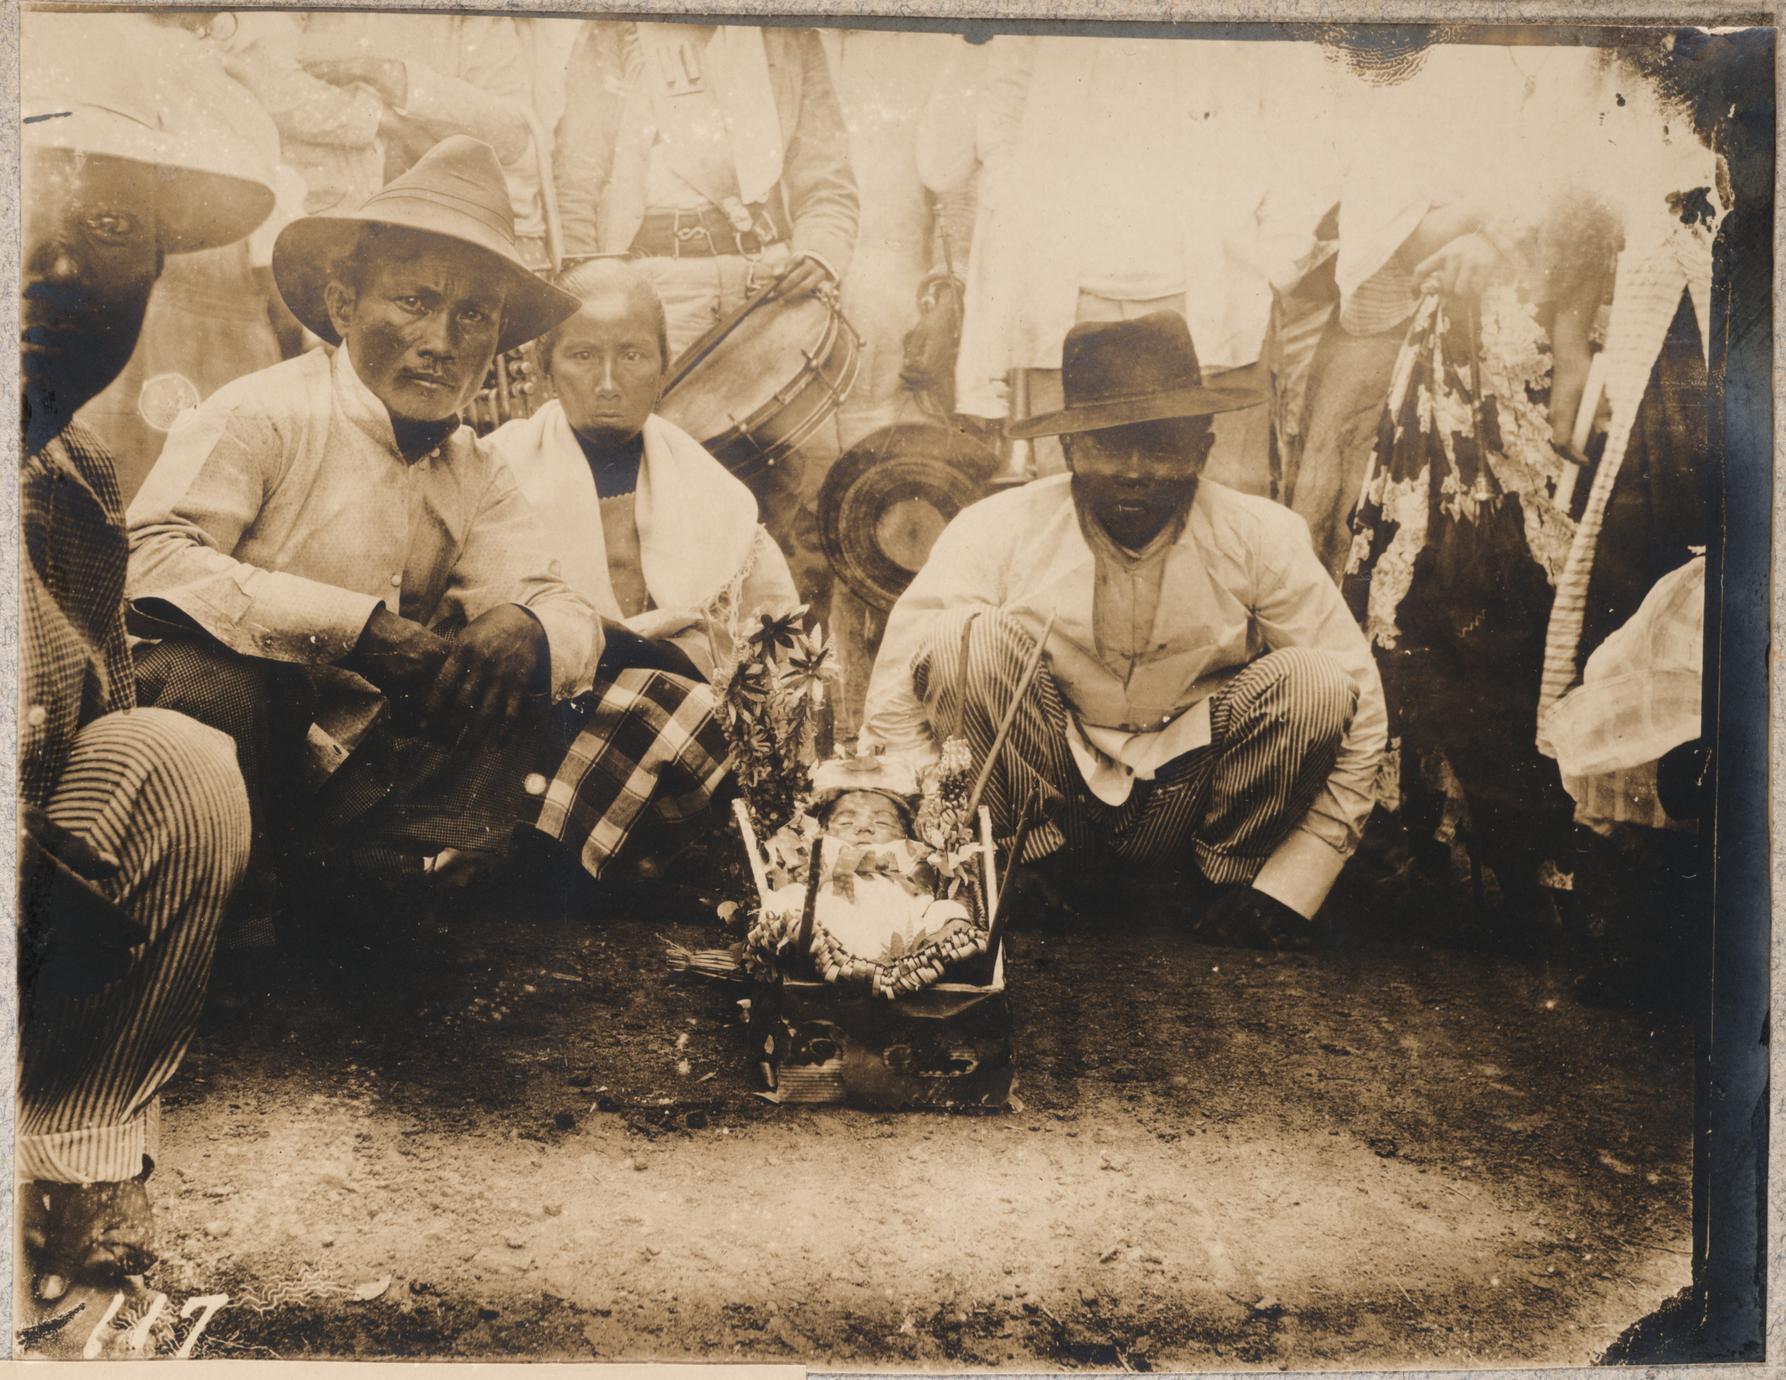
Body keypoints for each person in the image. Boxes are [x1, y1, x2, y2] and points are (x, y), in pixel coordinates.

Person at [124, 137, 591, 913]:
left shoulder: (477, 468)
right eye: (414, 302)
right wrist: (357, 630)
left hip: (359, 765)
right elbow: (149, 556)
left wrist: (527, 625)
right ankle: (252, 886)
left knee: (515, 679)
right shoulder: (263, 412)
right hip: (230, 746)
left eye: (473, 315)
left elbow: (565, 607)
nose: (441, 342)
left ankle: (357, 876)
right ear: (344, 306)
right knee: (216, 683)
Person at [861, 312, 1388, 945]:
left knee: (1318, 681)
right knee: (962, 639)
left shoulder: (1260, 534)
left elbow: (1361, 705)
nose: (1136, 470)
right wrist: (939, 842)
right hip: (1045, 805)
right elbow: (897, 694)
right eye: (1110, 446)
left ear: (1201, 449)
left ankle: (1222, 881)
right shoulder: (996, 528)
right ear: (1069, 449)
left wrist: (1289, 884)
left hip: (1193, 807)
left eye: (1161, 445)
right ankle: (1026, 870)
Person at [18, 13, 270, 1305]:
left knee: (174, 763)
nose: (54, 261)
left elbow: (96, 755)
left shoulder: (70, 480)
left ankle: (63, 1176)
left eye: (113, 227)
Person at [485, 258, 799, 881]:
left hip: (671, 729)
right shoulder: (495, 468)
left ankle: (548, 864)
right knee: (649, 704)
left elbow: (773, 645)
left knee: (667, 708)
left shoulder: (714, 492)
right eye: (581, 356)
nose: (608, 382)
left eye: (632, 356)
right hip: (536, 721)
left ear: (663, 367)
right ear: (545, 367)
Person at [552, 20, 859, 612]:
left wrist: (820, 250)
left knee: (800, 507)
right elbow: (576, 181)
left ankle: (788, 667)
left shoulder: (786, 31)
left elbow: (829, 179)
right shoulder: (618, 30)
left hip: (770, 290)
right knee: (659, 511)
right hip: (655, 291)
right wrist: (590, 296)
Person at [76, 10, 306, 502]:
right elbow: (273, 263)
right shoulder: (230, 94)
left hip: (150, 305)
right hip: (206, 311)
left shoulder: (105, 54)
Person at [217, 9, 548, 268]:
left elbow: (511, 133)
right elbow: (263, 77)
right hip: (318, 229)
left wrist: (392, 75)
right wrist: (388, 122)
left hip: (441, 240)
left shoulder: (474, 16)